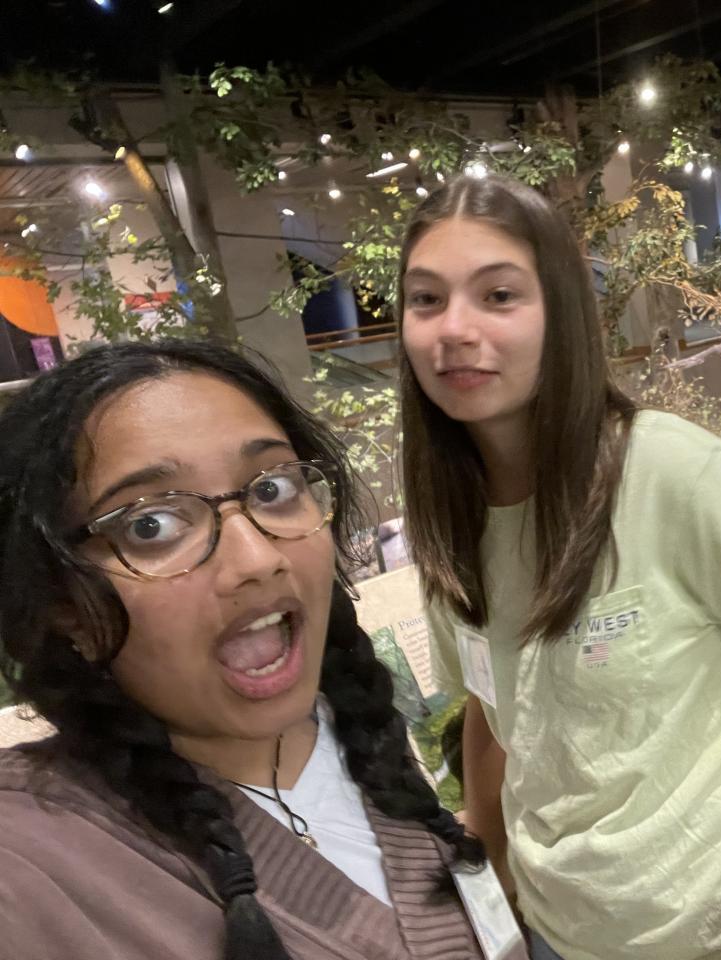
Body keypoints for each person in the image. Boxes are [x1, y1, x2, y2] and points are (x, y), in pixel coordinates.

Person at [396, 175, 721, 960]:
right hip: (555, 933)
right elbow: (494, 713)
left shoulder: (673, 475)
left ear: (561, 314)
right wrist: (491, 877)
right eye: (426, 299)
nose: (454, 328)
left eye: (498, 295)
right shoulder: (448, 518)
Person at [0, 340, 526, 960]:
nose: (257, 557)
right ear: (63, 603)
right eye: (151, 525)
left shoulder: (351, 727)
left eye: (272, 488)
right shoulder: (34, 857)